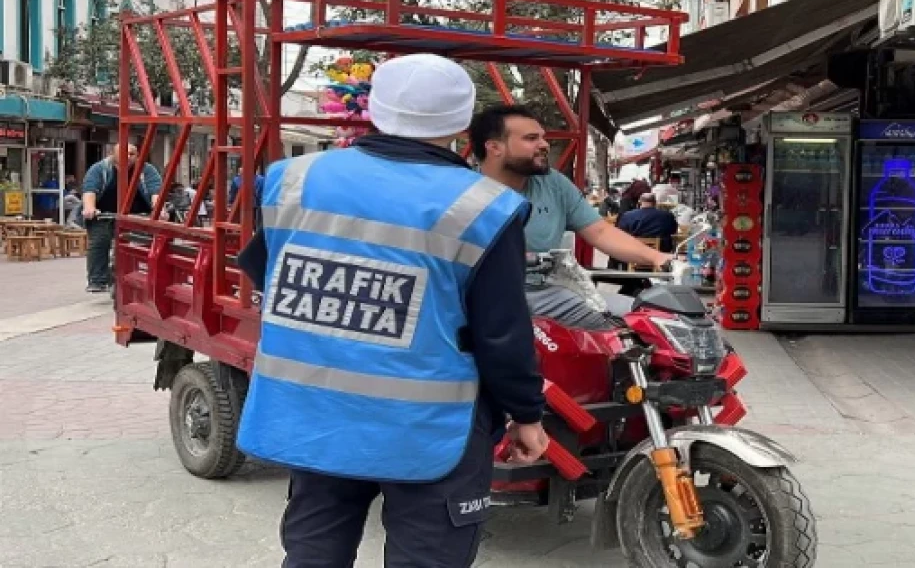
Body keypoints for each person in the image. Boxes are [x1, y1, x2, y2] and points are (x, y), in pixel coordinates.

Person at [233, 54, 549, 567]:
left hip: (315, 415)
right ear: (462, 122)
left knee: (313, 553)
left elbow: (267, 271)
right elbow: (502, 333)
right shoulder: (484, 206)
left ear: (375, 109)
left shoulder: (293, 177)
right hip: (428, 428)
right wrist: (527, 414)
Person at [470, 105, 673, 328]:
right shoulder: (462, 193)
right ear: (494, 147)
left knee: (629, 332)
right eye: (531, 138)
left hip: (547, 292)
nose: (544, 145)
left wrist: (657, 258)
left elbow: (600, 231)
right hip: (484, 297)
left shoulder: (552, 183)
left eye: (543, 138)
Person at [81, 144, 162, 292]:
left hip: (138, 216)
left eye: (132, 154)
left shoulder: (147, 170)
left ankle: (148, 277)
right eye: (124, 153)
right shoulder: (100, 169)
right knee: (100, 240)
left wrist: (159, 210)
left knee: (145, 245)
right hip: (104, 215)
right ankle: (97, 279)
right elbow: (89, 190)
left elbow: (155, 192)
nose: (128, 157)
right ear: (113, 154)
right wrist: (89, 208)